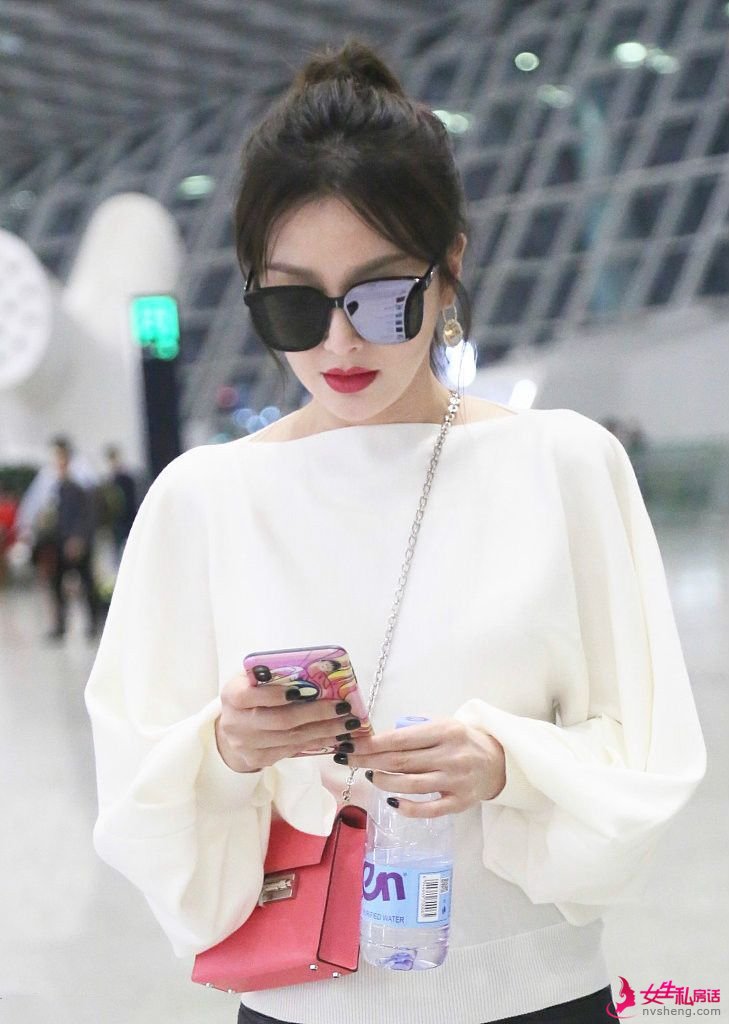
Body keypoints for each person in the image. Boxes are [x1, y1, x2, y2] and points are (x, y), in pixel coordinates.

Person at [84, 42, 706, 1024]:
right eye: (294, 303)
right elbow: (133, 793)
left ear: (448, 268)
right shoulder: (202, 499)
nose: (339, 341)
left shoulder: (563, 465)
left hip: (532, 993)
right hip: (303, 995)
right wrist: (225, 748)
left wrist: (506, 763)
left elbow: (652, 755)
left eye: (380, 296)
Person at [45, 437, 100, 641]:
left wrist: (78, 538)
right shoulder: (57, 484)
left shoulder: (82, 480)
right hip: (61, 541)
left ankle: (93, 625)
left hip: (78, 542)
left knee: (87, 583)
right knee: (57, 584)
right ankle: (60, 626)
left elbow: (88, 513)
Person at [101, 444, 138, 565]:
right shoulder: (110, 481)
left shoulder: (126, 480)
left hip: (127, 521)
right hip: (116, 525)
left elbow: (131, 501)